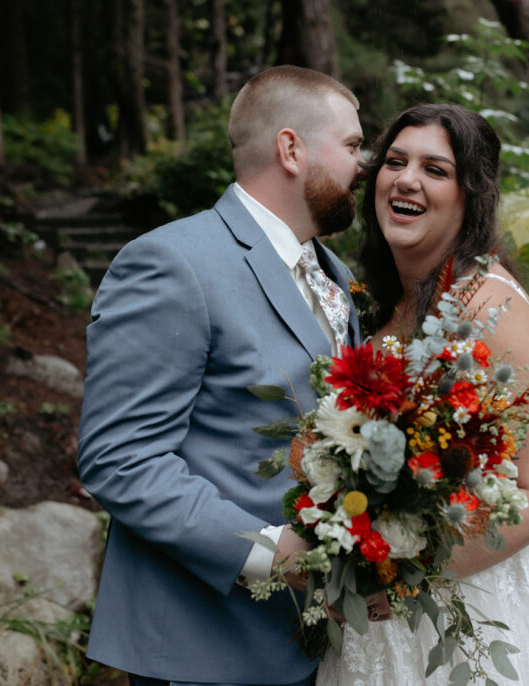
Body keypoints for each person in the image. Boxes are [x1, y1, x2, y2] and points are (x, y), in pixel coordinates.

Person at [316, 104, 529, 685]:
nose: (407, 179)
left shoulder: (490, 306)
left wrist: (407, 573)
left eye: (435, 169)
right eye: (395, 161)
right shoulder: (383, 307)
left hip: (482, 603)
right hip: (386, 607)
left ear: (471, 196)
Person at [78, 65, 377, 686]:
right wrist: (269, 553)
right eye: (351, 146)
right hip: (200, 645)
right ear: (290, 148)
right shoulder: (173, 263)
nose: (364, 164)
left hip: (307, 639)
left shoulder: (337, 277)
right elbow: (120, 458)